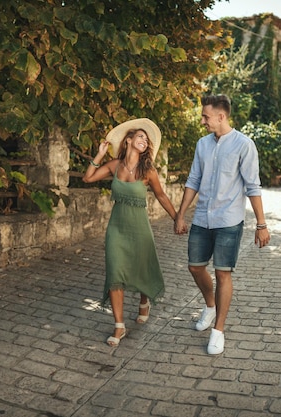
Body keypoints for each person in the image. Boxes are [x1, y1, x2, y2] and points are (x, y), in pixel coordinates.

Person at [174, 95, 270, 355]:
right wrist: (181, 214)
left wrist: (261, 224)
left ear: (221, 116)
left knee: (222, 273)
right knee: (195, 267)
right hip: (202, 217)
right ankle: (209, 305)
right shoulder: (202, 145)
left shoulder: (244, 145)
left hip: (229, 220)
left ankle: (218, 330)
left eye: (205, 116)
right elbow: (193, 179)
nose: (202, 120)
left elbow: (253, 185)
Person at [83, 118, 177, 347]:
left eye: (146, 139)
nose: (144, 141)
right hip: (117, 227)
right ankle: (119, 326)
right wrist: (99, 154)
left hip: (139, 227)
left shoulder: (148, 170)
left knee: (140, 267)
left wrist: (177, 218)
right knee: (115, 270)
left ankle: (145, 300)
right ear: (128, 140)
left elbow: (162, 196)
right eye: (140, 137)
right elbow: (88, 178)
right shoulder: (114, 166)